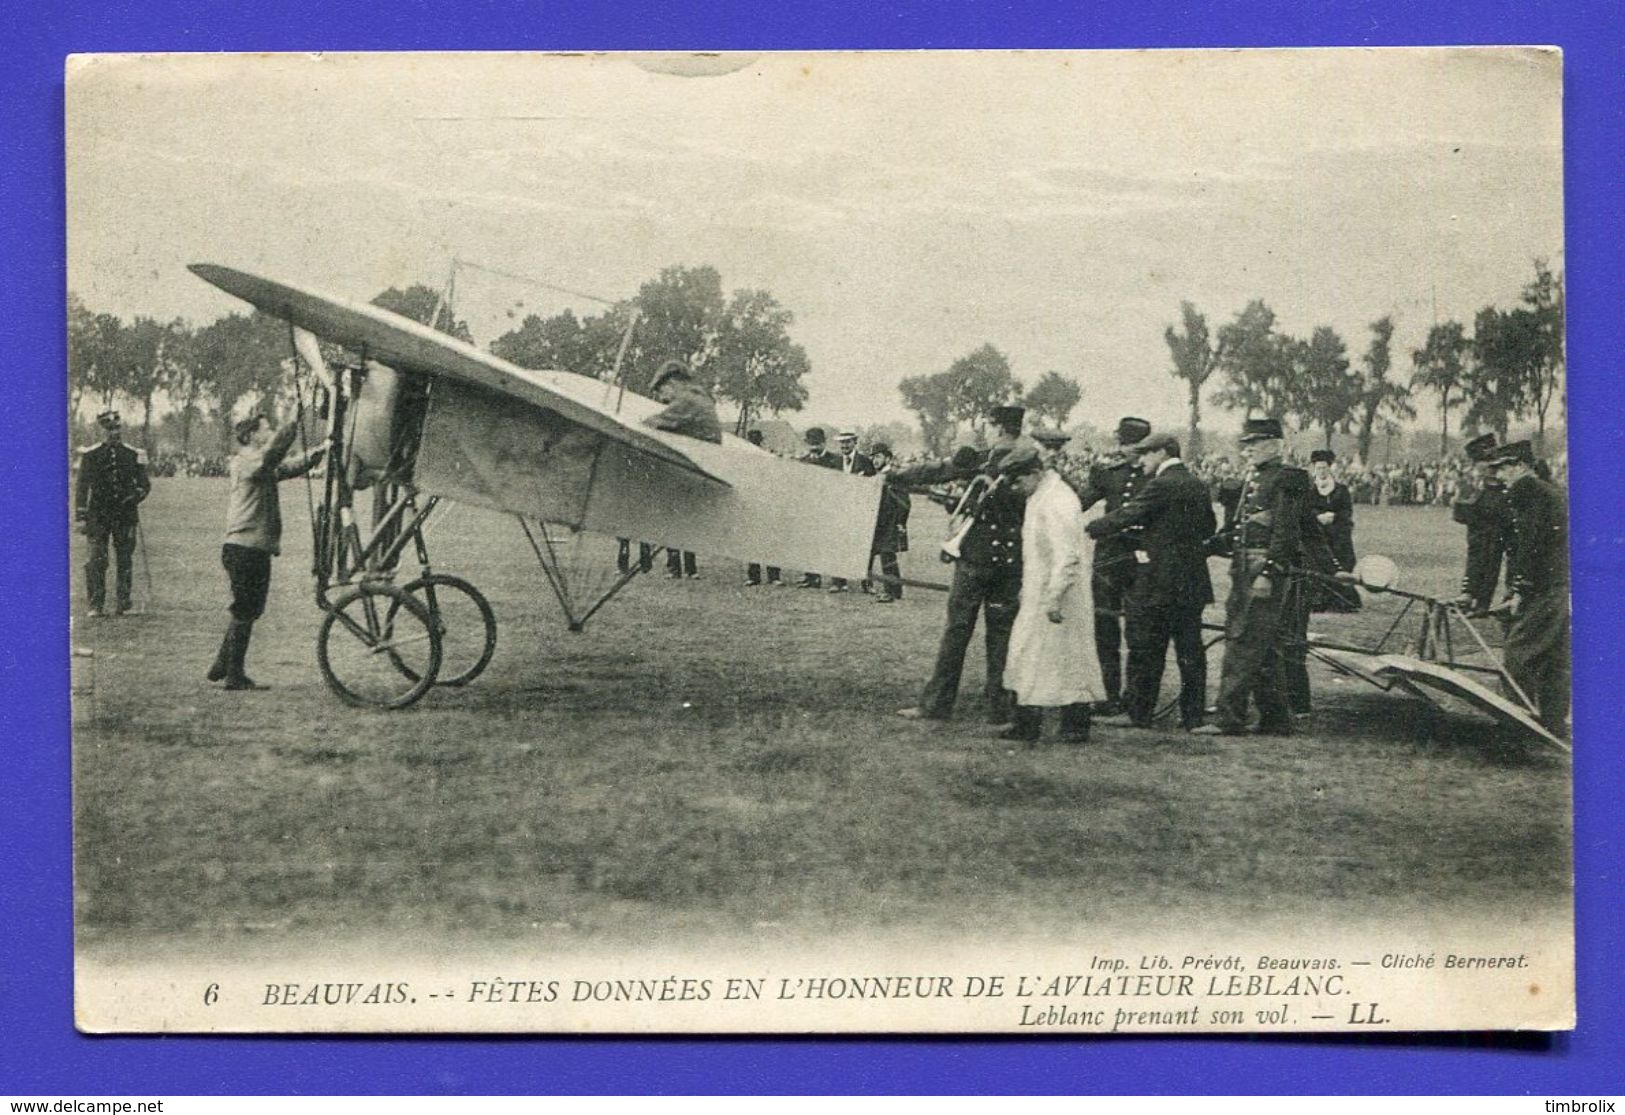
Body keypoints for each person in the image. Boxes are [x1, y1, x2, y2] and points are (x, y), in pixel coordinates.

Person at [894, 404, 1032, 724]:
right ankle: (1000, 707)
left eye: (989, 425)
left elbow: (935, 471)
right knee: (1002, 633)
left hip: (976, 558)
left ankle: (937, 704)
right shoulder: (1030, 462)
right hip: (1012, 560)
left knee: (957, 630)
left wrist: (895, 476)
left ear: (997, 427)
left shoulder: (982, 460)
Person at [1193, 418, 1330, 736]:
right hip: (1245, 569)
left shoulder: (1286, 479)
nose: (1248, 450)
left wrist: (1268, 572)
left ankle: (1230, 717)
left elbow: (1284, 531)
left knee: (1242, 641)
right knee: (1265, 646)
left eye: (1255, 443)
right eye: (1246, 444)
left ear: (1276, 445)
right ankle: (1276, 718)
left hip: (1261, 571)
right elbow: (1241, 529)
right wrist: (1204, 547)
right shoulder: (1258, 478)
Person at [1086, 433, 1214, 731]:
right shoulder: (1197, 483)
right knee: (1191, 652)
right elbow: (1209, 525)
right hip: (1192, 581)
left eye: (1145, 454)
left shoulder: (1162, 483)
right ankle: (1193, 717)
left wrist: (1091, 526)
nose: (1140, 460)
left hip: (1159, 582)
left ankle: (1139, 713)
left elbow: (1130, 513)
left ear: (1161, 453)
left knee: (1146, 650)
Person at [209, 412, 325, 690]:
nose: (270, 431)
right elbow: (272, 457)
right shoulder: (247, 460)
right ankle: (234, 675)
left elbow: (286, 467)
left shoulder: (257, 462)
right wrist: (291, 428)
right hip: (245, 546)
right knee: (246, 609)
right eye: (266, 428)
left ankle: (222, 665)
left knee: (250, 608)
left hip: (252, 546)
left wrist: (318, 453)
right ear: (250, 435)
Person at [999, 444, 1100, 742]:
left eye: (1018, 481)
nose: (1016, 488)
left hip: (1061, 594)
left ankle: (1075, 724)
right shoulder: (1039, 496)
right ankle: (1027, 721)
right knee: (1028, 654)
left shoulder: (1059, 500)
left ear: (1035, 472)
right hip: (1039, 589)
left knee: (1067, 657)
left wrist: (1054, 595)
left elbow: (1068, 555)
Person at [1488, 440, 1570, 738]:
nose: (1499, 475)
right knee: (1554, 658)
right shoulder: (1551, 492)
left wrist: (1519, 591)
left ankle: (1512, 735)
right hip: (1558, 586)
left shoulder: (1530, 493)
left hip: (1544, 589)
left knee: (1518, 652)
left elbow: (1531, 546)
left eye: (1504, 468)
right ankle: (1554, 724)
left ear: (1521, 466)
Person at [1075, 416, 1152, 716]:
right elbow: (1079, 502)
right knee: (1104, 627)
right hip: (1108, 559)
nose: (1127, 450)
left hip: (1139, 560)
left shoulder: (1154, 477)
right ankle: (1107, 696)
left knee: (1138, 631)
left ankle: (1133, 698)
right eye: (1125, 444)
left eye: (1133, 445)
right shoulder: (1109, 474)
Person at [642, 359, 718, 578]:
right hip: (703, 468)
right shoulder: (703, 398)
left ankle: (674, 566)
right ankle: (678, 566)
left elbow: (653, 423)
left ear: (673, 382)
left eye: (662, 390)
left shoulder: (687, 401)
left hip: (695, 473)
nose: (662, 397)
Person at [75, 410, 151, 617]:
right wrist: (81, 516)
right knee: (96, 559)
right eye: (109, 429)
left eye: (117, 428)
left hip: (125, 515)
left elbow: (144, 485)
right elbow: (82, 488)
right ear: (102, 431)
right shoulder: (91, 455)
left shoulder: (133, 454)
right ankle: (95, 604)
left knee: (125, 559)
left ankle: (123, 602)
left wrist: (135, 496)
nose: (113, 433)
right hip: (98, 515)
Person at [1452, 433, 1513, 616]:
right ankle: (1469, 594)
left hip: (1499, 523)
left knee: (1493, 560)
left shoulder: (1502, 476)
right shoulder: (1472, 479)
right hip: (1479, 523)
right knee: (1477, 558)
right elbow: (1460, 513)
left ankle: (1484, 601)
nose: (1487, 466)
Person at [1307, 449, 1360, 613]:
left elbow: (1347, 511)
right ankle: (1318, 599)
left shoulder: (1340, 490)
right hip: (1317, 532)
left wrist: (1335, 516)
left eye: (1324, 468)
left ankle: (1340, 599)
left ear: (1330, 468)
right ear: (1314, 469)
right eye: (1318, 468)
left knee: (1341, 559)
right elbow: (1306, 509)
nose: (1321, 471)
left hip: (1337, 533)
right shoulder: (1309, 490)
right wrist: (1317, 516)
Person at [829, 430, 875, 593]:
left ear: (855, 442)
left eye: (848, 442)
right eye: (842, 442)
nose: (844, 446)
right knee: (838, 544)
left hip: (859, 511)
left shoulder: (865, 462)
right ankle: (838, 582)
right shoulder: (834, 461)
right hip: (839, 511)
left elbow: (872, 488)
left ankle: (867, 583)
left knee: (862, 546)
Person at [796, 428, 842, 587]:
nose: (814, 448)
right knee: (809, 542)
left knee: (832, 543)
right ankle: (812, 577)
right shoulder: (802, 461)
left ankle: (837, 580)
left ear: (824, 443)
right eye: (811, 444)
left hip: (830, 508)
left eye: (817, 444)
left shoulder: (836, 461)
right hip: (810, 510)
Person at [868, 442, 910, 603]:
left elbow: (904, 502)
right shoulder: (877, 476)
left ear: (887, 458)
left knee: (887, 556)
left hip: (891, 522)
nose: (875, 461)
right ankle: (895, 590)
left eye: (878, 457)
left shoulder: (894, 476)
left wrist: (901, 522)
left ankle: (890, 591)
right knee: (885, 555)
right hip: (879, 522)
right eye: (873, 457)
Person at [744, 429, 783, 587]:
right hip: (753, 503)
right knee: (754, 540)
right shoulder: (745, 460)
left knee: (769, 540)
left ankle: (772, 576)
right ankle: (755, 576)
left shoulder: (768, 458)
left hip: (767, 503)